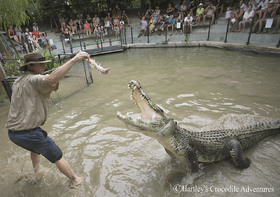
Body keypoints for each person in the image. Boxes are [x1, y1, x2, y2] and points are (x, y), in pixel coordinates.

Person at [6, 51, 92, 186]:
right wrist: (74, 59)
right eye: (40, 64)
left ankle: (37, 173)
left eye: (43, 64)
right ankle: (75, 179)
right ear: (30, 66)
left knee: (35, 149)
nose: (43, 67)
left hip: (13, 134)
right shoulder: (34, 80)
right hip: (27, 133)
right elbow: (51, 79)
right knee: (56, 154)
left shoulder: (18, 80)